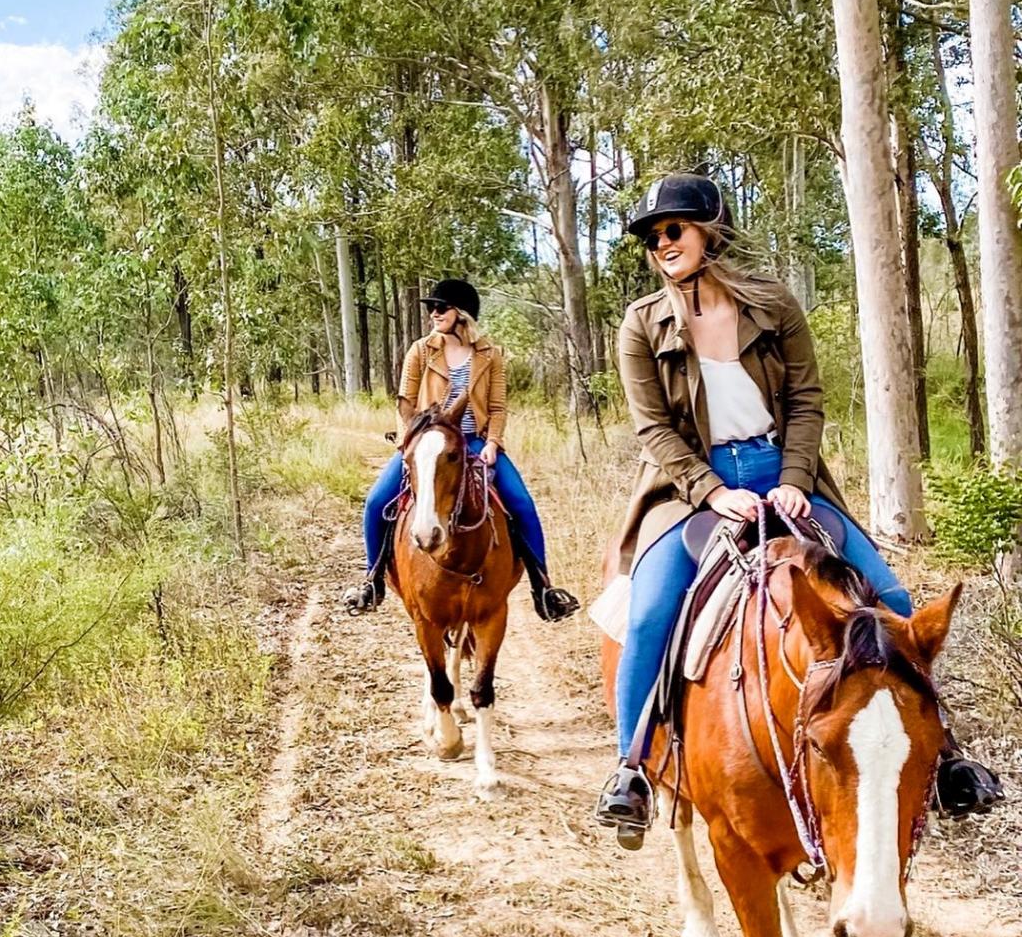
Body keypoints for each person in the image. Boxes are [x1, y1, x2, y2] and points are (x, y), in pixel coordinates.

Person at [595, 172, 1003, 845]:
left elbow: (806, 401)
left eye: (672, 229)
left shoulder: (773, 306)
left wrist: (791, 477)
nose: (660, 244)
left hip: (784, 474)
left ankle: (949, 758)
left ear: (708, 231)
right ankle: (630, 769)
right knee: (646, 615)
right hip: (690, 489)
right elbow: (653, 430)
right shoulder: (641, 325)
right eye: (651, 237)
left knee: (895, 603)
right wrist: (711, 492)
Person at [344, 278, 578, 622]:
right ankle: (372, 579)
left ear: (462, 314)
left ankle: (543, 588)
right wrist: (410, 441)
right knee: (378, 501)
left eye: (441, 307)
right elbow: (405, 401)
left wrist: (494, 444)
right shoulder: (421, 350)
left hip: (475, 441)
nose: (433, 314)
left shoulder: (490, 355)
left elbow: (497, 407)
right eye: (431, 308)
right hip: (428, 442)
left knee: (521, 503)